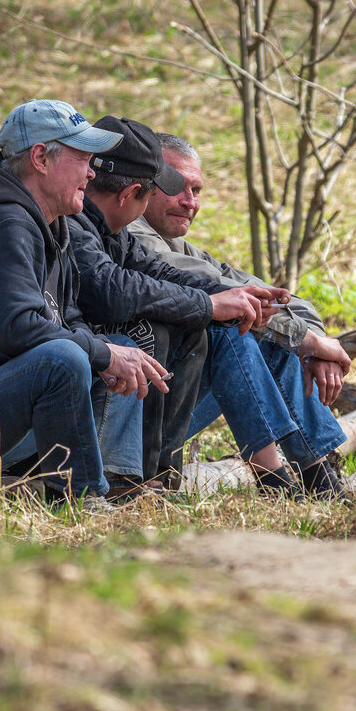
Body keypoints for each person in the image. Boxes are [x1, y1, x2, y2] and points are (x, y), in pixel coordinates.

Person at [0, 99, 169, 506]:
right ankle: (85, 502)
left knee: (113, 350)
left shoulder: (47, 225)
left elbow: (70, 318)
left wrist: (108, 354)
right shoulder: (5, 224)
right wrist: (101, 354)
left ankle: (118, 489)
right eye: (82, 158)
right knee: (66, 358)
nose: (92, 172)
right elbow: (20, 329)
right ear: (41, 158)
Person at [66, 115, 284, 495]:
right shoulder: (73, 225)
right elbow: (113, 290)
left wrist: (233, 297)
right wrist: (209, 304)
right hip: (53, 394)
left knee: (197, 331)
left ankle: (158, 476)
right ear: (127, 194)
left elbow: (159, 272)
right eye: (150, 194)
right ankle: (125, 478)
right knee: (150, 335)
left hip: (82, 381)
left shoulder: (109, 230)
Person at [126, 133, 352, 499]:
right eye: (175, 186)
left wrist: (313, 346)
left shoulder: (177, 244)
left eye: (197, 190)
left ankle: (319, 475)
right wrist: (306, 340)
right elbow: (220, 295)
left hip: (163, 404)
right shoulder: (130, 235)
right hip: (131, 418)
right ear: (145, 184)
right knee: (231, 327)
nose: (190, 202)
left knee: (269, 330)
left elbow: (289, 302)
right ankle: (278, 480)